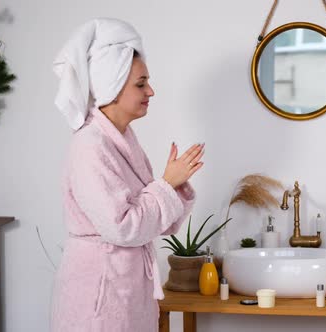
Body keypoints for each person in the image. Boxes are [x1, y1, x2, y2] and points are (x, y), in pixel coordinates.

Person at [50, 18, 203, 331]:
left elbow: (156, 222)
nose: (151, 91)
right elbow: (122, 227)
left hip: (128, 290)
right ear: (113, 86)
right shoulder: (89, 145)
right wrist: (165, 185)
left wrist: (173, 186)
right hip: (100, 295)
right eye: (141, 83)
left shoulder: (123, 139)